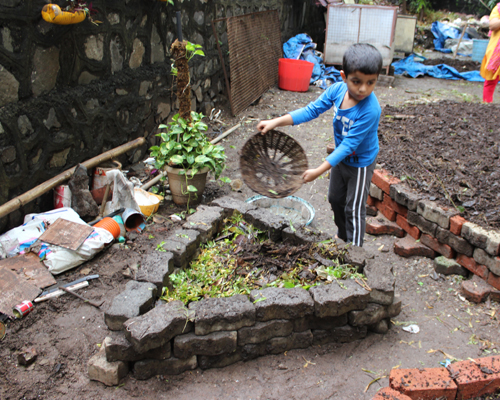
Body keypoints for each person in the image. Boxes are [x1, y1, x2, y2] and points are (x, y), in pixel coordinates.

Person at [257, 43, 383, 247]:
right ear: (344, 76)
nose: (363, 89)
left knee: (354, 207)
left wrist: (318, 170)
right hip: (341, 159)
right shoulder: (337, 90)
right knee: (335, 199)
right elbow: (311, 110)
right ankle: (343, 236)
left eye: (371, 83)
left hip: (360, 162)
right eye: (357, 81)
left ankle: (356, 251)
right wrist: (276, 122)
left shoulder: (370, 110)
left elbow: (348, 146)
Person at [481, 3, 500, 103]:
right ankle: (487, 106)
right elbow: (493, 25)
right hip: (497, 54)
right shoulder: (498, 8)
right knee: (490, 81)